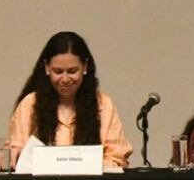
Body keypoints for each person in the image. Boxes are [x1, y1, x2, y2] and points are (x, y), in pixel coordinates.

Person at [8, 31, 133, 169]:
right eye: (58, 72)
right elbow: (17, 152)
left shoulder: (103, 104)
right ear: (47, 68)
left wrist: (82, 166)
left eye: (72, 71)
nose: (65, 79)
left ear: (85, 67)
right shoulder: (30, 104)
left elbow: (117, 157)